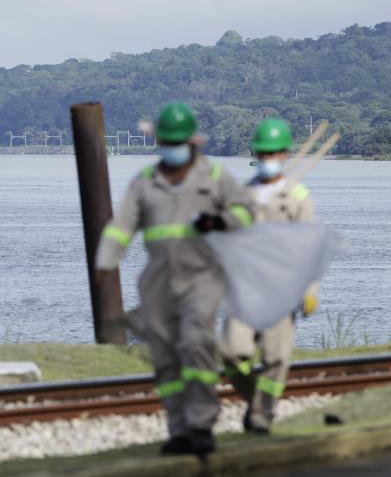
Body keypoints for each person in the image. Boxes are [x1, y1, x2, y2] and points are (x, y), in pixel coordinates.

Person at [96, 102, 254, 456]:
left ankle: (201, 424)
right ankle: (178, 429)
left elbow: (245, 211)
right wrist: (106, 261)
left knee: (196, 341)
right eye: (166, 142)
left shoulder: (214, 177)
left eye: (176, 142)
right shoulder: (145, 181)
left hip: (202, 275)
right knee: (166, 355)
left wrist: (219, 222)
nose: (171, 149)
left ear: (192, 143)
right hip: (158, 279)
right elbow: (122, 225)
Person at [221, 118, 317, 434]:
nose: (267, 159)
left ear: (284, 155)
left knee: (276, 358)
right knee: (232, 353)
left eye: (273, 153)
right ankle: (256, 402)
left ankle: (265, 411)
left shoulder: (298, 197)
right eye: (262, 153)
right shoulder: (242, 195)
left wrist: (310, 288)